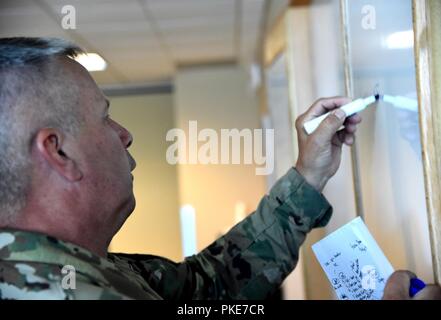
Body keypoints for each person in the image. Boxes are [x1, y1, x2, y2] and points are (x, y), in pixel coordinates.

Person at [0, 37, 433, 300]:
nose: (124, 133)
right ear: (58, 153)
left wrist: (308, 176)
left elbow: (212, 288)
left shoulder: (71, 267)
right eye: (104, 117)